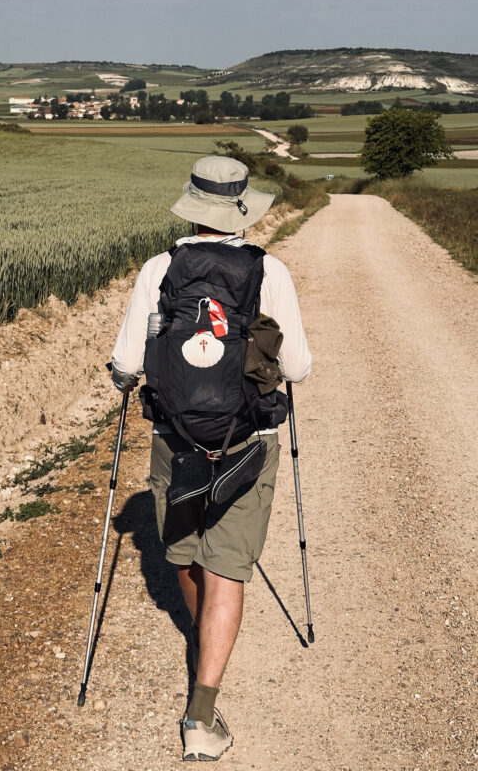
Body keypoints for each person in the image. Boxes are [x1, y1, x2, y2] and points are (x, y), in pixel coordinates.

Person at [111, 155, 311, 762]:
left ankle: (202, 645)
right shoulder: (269, 271)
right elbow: (297, 367)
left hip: (176, 438)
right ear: (241, 210)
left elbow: (126, 363)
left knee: (184, 553)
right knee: (227, 566)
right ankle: (201, 713)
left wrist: (128, 379)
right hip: (247, 440)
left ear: (192, 207)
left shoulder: (159, 269)